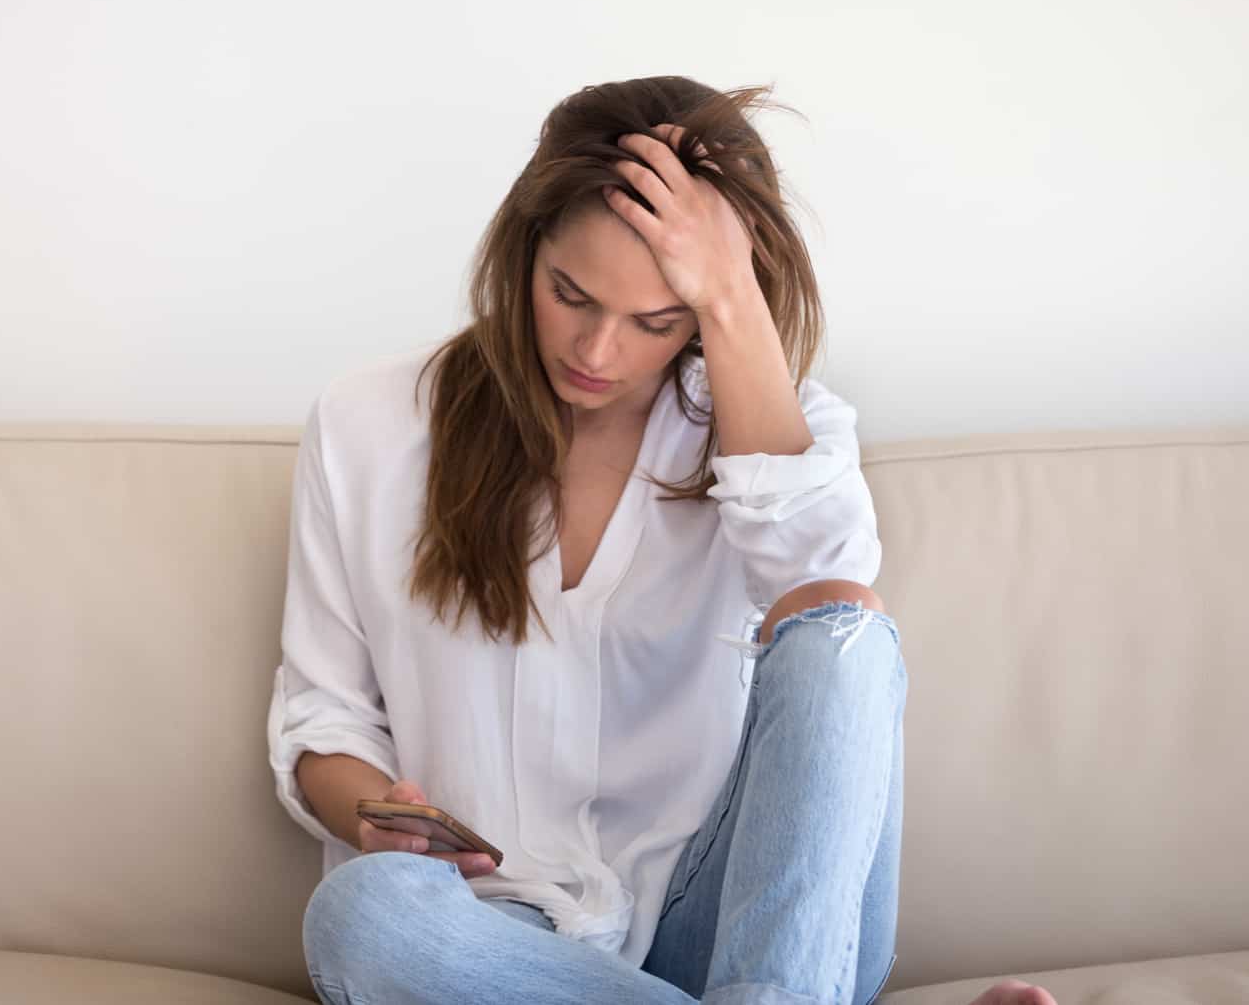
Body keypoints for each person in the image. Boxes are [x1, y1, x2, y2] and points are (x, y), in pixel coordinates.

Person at [267, 76, 1057, 1005]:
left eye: (657, 320)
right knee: (363, 918)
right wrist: (374, 818)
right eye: (570, 295)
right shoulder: (371, 426)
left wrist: (728, 297)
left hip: (743, 925)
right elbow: (324, 718)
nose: (597, 354)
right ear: (523, 251)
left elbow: (829, 603)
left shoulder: (776, 430)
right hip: (502, 938)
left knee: (841, 626)